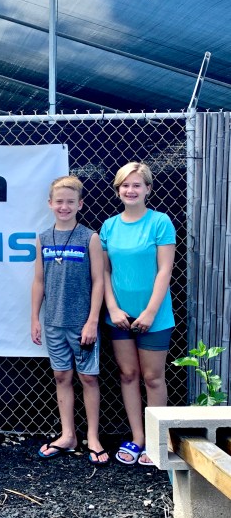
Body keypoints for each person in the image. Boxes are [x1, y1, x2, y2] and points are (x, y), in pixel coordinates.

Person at [101, 162, 176, 467]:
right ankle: (138, 437)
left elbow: (165, 270)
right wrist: (113, 308)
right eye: (125, 185)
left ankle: (158, 442)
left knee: (153, 378)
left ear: (148, 189)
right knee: (128, 375)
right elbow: (104, 272)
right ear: (117, 190)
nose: (130, 190)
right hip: (119, 316)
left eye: (136, 185)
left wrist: (149, 312)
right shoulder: (109, 227)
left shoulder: (160, 223)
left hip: (154, 316)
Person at [31, 175, 108, 466]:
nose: (64, 207)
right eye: (59, 201)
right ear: (50, 203)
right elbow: (39, 281)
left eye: (70, 202)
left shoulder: (89, 238)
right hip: (54, 323)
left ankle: (93, 437)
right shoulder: (43, 238)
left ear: (80, 204)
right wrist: (35, 318)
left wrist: (92, 321)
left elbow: (99, 281)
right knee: (62, 377)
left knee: (88, 377)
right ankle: (68, 435)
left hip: (82, 324)